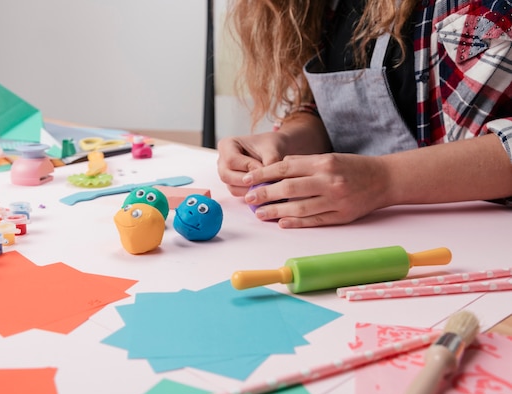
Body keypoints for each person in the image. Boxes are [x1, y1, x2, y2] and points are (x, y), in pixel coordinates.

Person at [216, 0, 512, 228]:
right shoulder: (325, 7)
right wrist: (287, 141)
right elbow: (333, 111)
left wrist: (383, 180)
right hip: (375, 235)